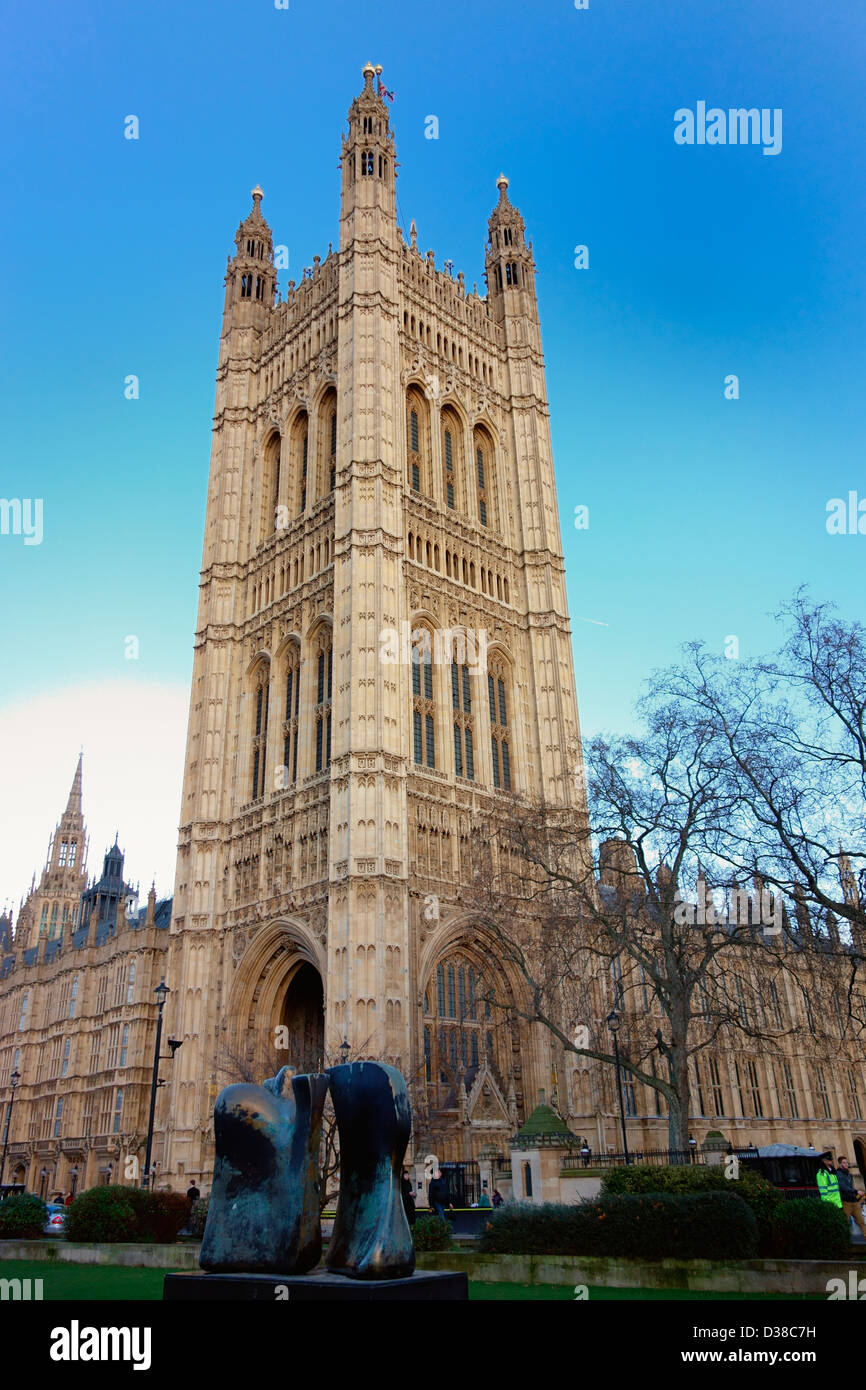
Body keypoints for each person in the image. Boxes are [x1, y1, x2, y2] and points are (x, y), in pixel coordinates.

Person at [835, 1157, 866, 1239]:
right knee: (845, 1223)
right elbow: (843, 1187)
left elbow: (850, 1187)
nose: (846, 1164)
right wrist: (856, 1191)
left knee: (862, 1222)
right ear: (840, 1164)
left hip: (854, 1202)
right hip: (846, 1203)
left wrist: (856, 1196)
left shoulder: (848, 1174)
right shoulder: (838, 1174)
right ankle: (844, 1241)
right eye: (844, 1163)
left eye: (847, 1163)